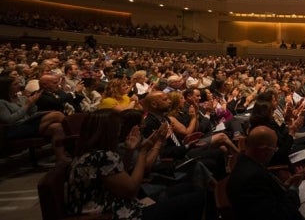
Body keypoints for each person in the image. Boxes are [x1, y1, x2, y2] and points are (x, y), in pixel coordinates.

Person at [65, 109, 205, 220]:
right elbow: (131, 190)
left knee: (189, 187)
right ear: (108, 131)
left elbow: (122, 175)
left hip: (118, 205)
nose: (120, 132)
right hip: (115, 213)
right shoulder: (102, 156)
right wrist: (144, 150)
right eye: (117, 128)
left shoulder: (87, 154)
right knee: (197, 198)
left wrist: (129, 151)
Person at [0, 76, 70, 163]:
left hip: (29, 124)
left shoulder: (22, 98)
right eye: (15, 84)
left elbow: (32, 113)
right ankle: (75, 142)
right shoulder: (2, 102)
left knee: (57, 127)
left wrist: (33, 103)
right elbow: (9, 120)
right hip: (15, 129)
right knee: (57, 115)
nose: (20, 85)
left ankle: (61, 158)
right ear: (7, 87)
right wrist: (27, 105)